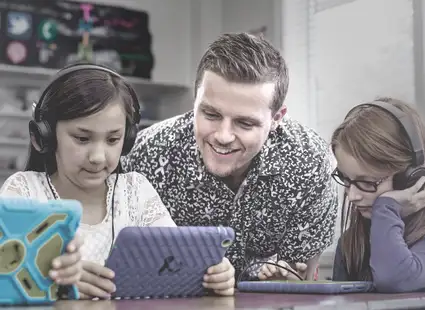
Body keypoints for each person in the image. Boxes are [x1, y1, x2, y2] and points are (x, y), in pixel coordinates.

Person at [0, 64, 235, 299]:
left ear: (128, 139)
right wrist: (52, 285)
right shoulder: (24, 192)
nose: (98, 157)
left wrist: (212, 276)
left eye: (113, 139)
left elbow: (176, 264)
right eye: (82, 139)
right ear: (45, 137)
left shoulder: (136, 192)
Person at [121, 32, 339, 281]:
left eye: (245, 123)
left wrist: (285, 277)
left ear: (277, 118)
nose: (223, 136)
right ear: (195, 103)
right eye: (211, 115)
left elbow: (301, 279)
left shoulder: (310, 164)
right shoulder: (144, 156)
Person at [331, 97, 425, 292]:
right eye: (347, 180)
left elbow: (396, 279)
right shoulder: (351, 245)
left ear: (409, 177)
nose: (353, 196)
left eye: (367, 182)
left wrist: (388, 206)